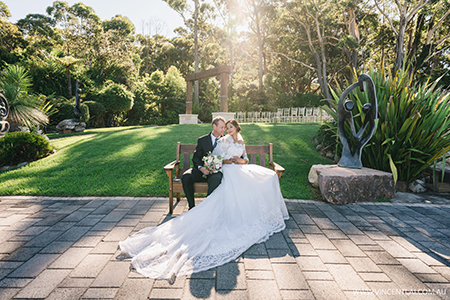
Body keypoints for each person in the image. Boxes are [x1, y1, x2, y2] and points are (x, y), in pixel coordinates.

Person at [119, 119, 289, 280]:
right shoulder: (222, 141)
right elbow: (214, 158)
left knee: (269, 177)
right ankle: (204, 209)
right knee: (221, 184)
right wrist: (224, 162)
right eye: (225, 127)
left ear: (237, 128)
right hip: (225, 170)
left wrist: (240, 161)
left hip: (238, 170)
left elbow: (244, 159)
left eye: (229, 127)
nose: (227, 130)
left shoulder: (240, 142)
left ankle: (253, 212)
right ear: (216, 127)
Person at [182, 116, 226, 209]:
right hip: (202, 170)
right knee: (186, 177)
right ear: (214, 126)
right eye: (221, 127)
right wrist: (201, 168)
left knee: (216, 178)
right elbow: (196, 158)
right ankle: (191, 207)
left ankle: (206, 208)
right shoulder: (202, 140)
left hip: (216, 173)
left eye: (224, 127)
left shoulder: (226, 140)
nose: (224, 129)